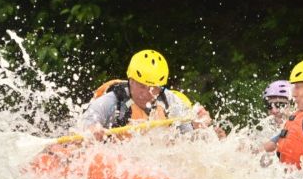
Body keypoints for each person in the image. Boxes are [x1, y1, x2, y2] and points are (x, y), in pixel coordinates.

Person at [80, 49, 214, 139]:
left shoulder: (170, 100)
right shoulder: (112, 100)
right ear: (130, 80)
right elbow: (83, 126)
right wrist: (92, 130)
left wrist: (198, 127)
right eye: (141, 86)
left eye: (153, 88)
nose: (147, 93)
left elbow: (187, 137)